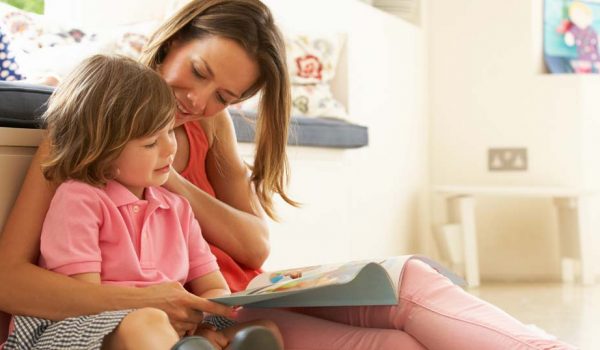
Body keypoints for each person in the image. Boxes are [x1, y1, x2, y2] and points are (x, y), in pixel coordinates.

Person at [0, 0, 577, 349]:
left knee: (408, 282)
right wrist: (159, 296)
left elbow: (252, 242)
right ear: (174, 39)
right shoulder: (95, 122)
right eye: (196, 72)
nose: (197, 101)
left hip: (234, 299)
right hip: (181, 316)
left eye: (223, 94)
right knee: (397, 338)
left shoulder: (206, 128)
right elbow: (11, 280)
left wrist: (168, 177)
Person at [2, 54, 282, 350]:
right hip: (83, 323)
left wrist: (206, 321)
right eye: (150, 143)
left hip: (165, 325)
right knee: (146, 325)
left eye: (168, 132)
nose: (169, 149)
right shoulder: (80, 199)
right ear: (103, 153)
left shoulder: (177, 207)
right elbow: (86, 297)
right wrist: (158, 315)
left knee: (265, 329)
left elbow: (212, 285)